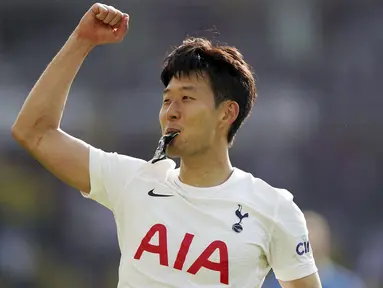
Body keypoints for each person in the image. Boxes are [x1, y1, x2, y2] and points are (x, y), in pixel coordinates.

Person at [11, 3, 322, 288]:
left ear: (227, 113)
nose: (171, 111)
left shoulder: (274, 209)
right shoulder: (133, 181)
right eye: (166, 100)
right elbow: (34, 132)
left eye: (186, 98)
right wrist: (82, 40)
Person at [263, 211, 366, 288]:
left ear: (327, 243)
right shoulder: (273, 285)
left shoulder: (347, 284)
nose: (311, 242)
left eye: (314, 237)